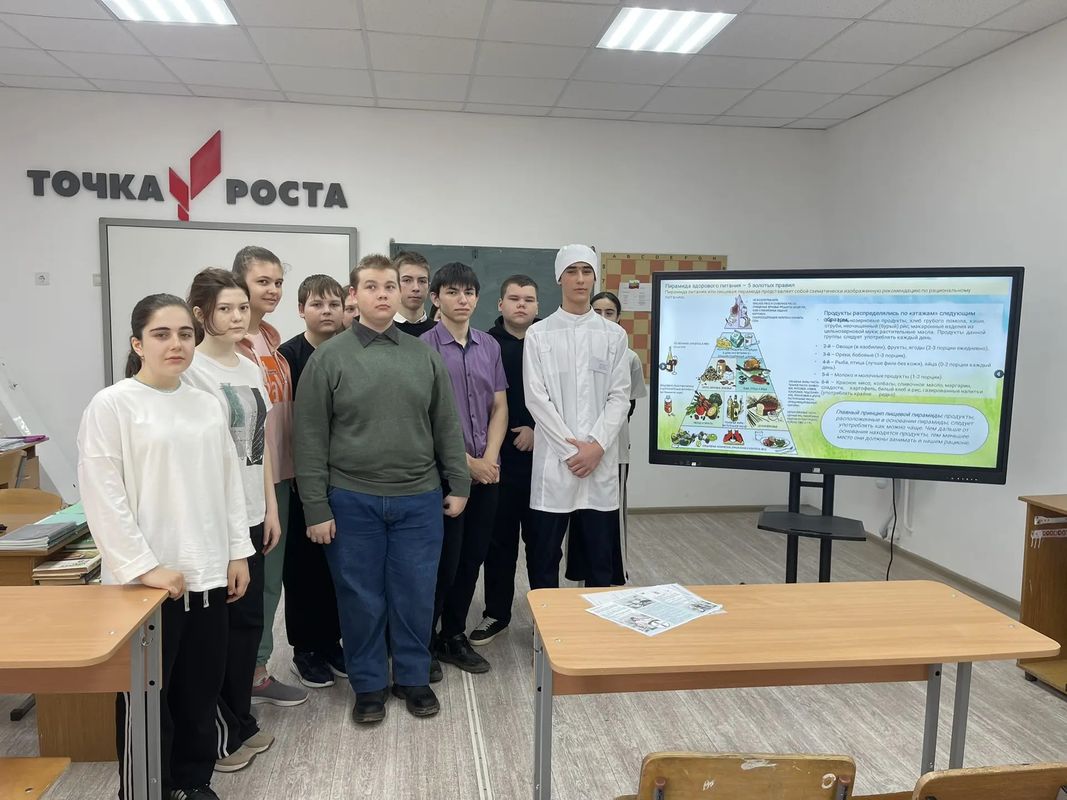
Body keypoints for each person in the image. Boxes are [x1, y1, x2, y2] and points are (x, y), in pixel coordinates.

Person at [78, 294, 253, 800]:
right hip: (146, 585)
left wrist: (237, 551)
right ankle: (145, 790)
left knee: (200, 687)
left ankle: (193, 781)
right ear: (138, 344)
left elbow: (228, 484)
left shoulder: (205, 403)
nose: (175, 344)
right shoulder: (113, 405)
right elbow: (103, 496)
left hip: (208, 573)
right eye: (161, 334)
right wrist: (145, 566)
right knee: (146, 696)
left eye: (184, 334)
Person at [293, 254, 469, 724]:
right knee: (360, 597)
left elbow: (446, 425)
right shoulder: (329, 359)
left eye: (390, 286)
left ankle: (412, 678)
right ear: (354, 295)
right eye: (371, 287)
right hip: (351, 499)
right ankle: (369, 684)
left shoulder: (423, 356)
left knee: (416, 593)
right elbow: (308, 438)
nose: (383, 294)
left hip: (419, 498)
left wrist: (459, 482)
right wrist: (315, 507)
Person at [183, 269, 280, 774]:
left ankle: (239, 718)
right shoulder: (191, 371)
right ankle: (217, 736)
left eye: (242, 307)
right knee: (216, 633)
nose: (239, 316)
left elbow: (259, 446)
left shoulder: (248, 365)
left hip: (252, 512)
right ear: (201, 314)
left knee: (248, 625)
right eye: (226, 309)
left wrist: (270, 508)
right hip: (217, 521)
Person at [523, 245, 630, 589]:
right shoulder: (539, 334)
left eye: (586, 271)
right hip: (555, 466)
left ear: (595, 277)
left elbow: (619, 397)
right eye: (572, 271)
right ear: (559, 278)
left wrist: (596, 446)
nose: (580, 279)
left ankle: (597, 624)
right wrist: (572, 452)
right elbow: (536, 398)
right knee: (543, 557)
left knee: (599, 561)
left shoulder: (614, 335)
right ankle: (545, 623)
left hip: (600, 463)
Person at [420, 263, 508, 675]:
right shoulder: (422, 347)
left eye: (469, 292)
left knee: (473, 557)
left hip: (487, 471)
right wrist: (466, 463)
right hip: (446, 475)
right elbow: (424, 417)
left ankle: (452, 635)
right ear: (435, 298)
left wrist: (489, 458)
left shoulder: (489, 345)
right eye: (452, 292)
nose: (462, 299)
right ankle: (423, 640)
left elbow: (500, 406)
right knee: (443, 563)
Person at [231, 245, 308, 707]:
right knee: (245, 581)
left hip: (279, 477)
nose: (273, 290)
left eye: (278, 282)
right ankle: (238, 677)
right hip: (245, 483)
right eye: (263, 281)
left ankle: (256, 671)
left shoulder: (272, 341)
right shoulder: (228, 344)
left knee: (270, 581)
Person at [278, 274, 346, 689]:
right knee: (302, 570)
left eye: (334, 304)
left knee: (337, 568)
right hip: (301, 479)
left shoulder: (350, 350)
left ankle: (333, 642)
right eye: (317, 304)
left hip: (346, 478)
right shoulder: (287, 358)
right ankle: (305, 649)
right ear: (301, 309)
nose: (326, 312)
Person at [471, 275, 540, 646]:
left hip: (544, 461)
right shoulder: (484, 344)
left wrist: (536, 429)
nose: (521, 305)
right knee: (499, 544)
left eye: (528, 299)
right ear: (500, 304)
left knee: (543, 545)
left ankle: (547, 619)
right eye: (514, 298)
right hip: (497, 461)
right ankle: (496, 613)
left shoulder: (548, 341)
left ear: (537, 306)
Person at [566, 291, 647, 585]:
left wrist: (601, 438)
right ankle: (580, 575)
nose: (602, 318)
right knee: (578, 515)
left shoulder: (629, 356)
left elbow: (627, 405)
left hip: (613, 452)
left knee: (608, 519)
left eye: (609, 313)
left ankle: (609, 578)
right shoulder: (573, 352)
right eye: (596, 311)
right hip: (577, 449)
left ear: (619, 318)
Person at [392, 250, 436, 337]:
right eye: (407, 280)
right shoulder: (380, 331)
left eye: (422, 281)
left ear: (428, 287)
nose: (416, 288)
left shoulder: (441, 333)